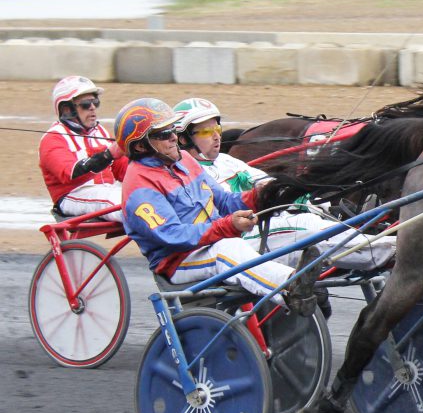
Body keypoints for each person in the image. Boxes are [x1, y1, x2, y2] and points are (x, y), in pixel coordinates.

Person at [115, 97, 319, 316]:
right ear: (140, 145)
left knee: (262, 242)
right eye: (164, 134)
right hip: (178, 261)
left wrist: (262, 196)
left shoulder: (184, 159)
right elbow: (173, 235)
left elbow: (222, 200)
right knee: (227, 250)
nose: (175, 137)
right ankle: (290, 288)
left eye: (173, 129)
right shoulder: (139, 188)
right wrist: (227, 226)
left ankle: (294, 288)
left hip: (211, 243)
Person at [172, 97, 397, 271]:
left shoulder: (227, 160)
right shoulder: (187, 173)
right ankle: (393, 250)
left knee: (322, 217)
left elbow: (268, 185)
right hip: (237, 240)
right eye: (205, 131)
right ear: (183, 138)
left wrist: (317, 203)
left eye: (217, 129)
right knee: (306, 225)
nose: (216, 137)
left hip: (266, 228)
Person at [39, 76, 128, 222]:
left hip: (105, 191)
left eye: (95, 102)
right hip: (73, 196)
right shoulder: (53, 138)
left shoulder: (100, 132)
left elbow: (122, 169)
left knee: (148, 194)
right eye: (86, 104)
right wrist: (108, 155)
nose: (93, 107)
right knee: (127, 203)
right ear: (67, 109)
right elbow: (70, 173)